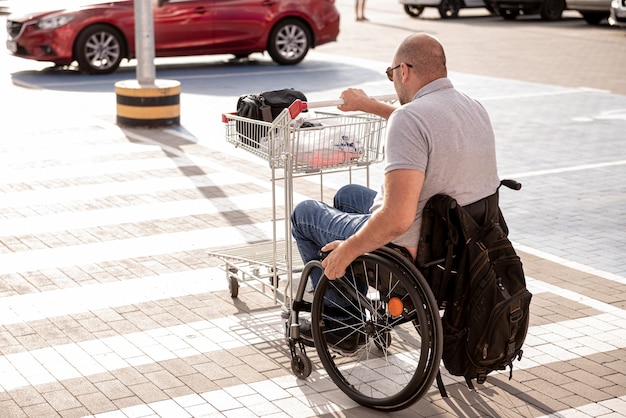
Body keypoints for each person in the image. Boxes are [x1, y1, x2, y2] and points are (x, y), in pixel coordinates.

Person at [290, 33, 501, 349]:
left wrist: (348, 250)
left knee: (305, 214)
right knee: (347, 194)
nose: (392, 82)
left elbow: (397, 219)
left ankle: (341, 321)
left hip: (414, 248)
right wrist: (369, 106)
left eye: (390, 75)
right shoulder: (473, 107)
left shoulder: (410, 117)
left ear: (404, 71)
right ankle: (354, 297)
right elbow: (422, 126)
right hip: (459, 243)